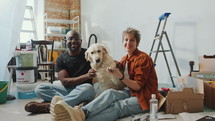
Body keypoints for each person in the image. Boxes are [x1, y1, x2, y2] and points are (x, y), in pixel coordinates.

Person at [51, 27, 160, 121]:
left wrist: (120, 76)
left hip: (144, 98)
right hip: (130, 91)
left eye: (132, 40)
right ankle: (81, 112)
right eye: (126, 40)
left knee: (118, 106)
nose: (128, 43)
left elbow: (137, 86)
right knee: (110, 93)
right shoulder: (125, 58)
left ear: (137, 42)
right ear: (123, 42)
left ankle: (81, 118)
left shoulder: (143, 58)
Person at [25, 30, 96, 113]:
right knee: (39, 89)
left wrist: (114, 63)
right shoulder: (61, 58)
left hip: (82, 89)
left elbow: (104, 60)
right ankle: (73, 102)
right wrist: (86, 76)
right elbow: (65, 82)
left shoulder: (89, 54)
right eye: (70, 39)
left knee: (89, 88)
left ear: (81, 41)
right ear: (66, 41)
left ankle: (49, 106)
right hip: (67, 89)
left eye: (76, 39)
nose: (73, 41)